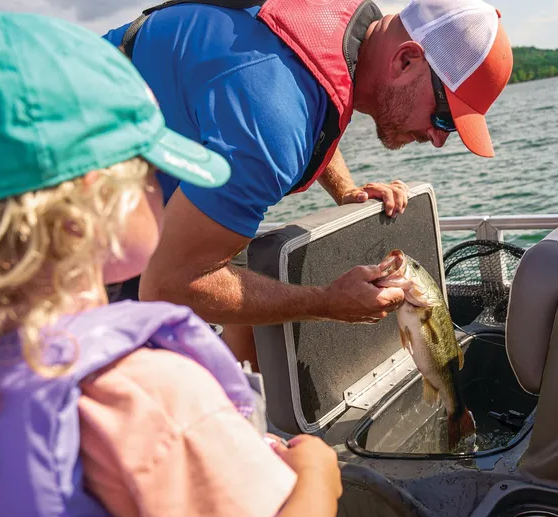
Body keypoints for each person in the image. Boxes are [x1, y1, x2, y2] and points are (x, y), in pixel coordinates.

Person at [0, 11, 342, 517]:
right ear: (89, 211)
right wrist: (320, 479)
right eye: (153, 170)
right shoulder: (146, 396)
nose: (166, 190)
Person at [102, 0, 514, 366]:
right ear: (406, 60)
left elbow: (317, 96)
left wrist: (346, 190)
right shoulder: (273, 122)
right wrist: (326, 302)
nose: (439, 139)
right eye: (444, 117)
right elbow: (168, 284)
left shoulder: (346, 32)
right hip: (78, 208)